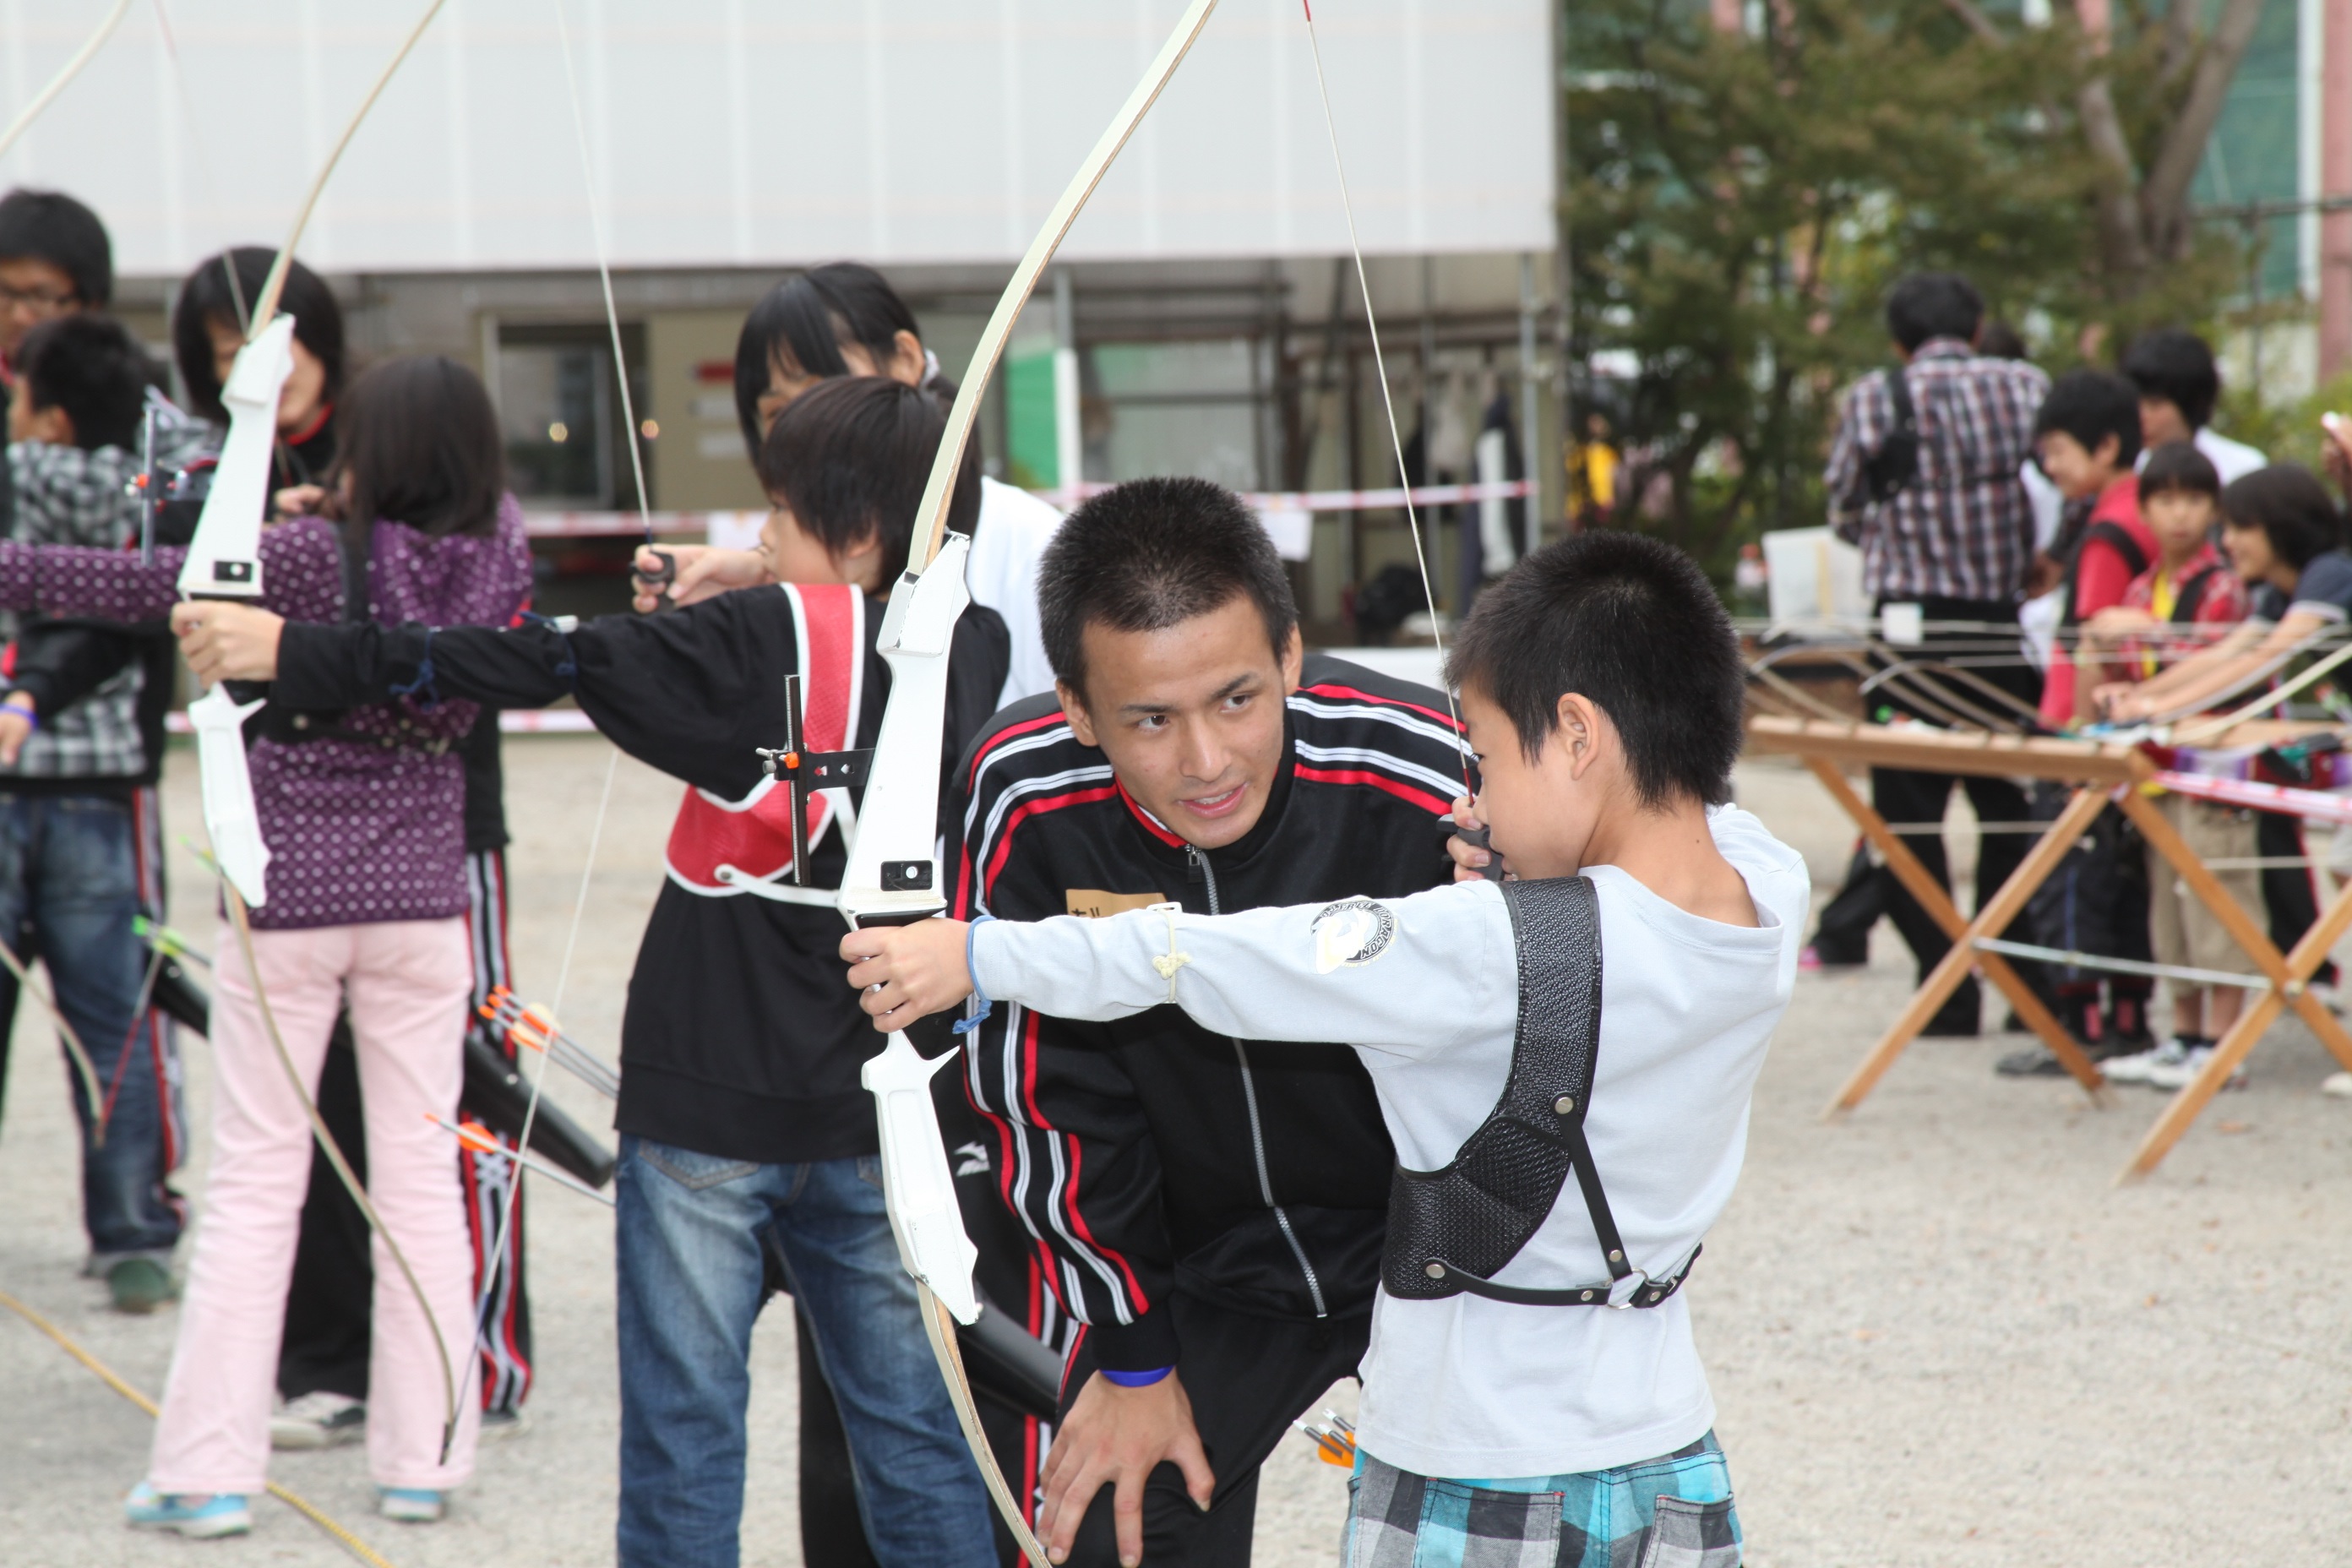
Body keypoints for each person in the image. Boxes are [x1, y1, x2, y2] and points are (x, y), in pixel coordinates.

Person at [174, 375, 1011, 1568]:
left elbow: (528, 661)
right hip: (881, 1101)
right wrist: (759, 584)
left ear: (859, 531)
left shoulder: (744, 637)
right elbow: (833, 622)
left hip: (708, 1093)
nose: (755, 536)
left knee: (684, 1437)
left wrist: (291, 650)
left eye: (776, 514)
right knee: (915, 1438)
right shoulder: (973, 641)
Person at [846, 530, 1807, 1568]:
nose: (1467, 797)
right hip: (1666, 1453)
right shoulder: (1769, 887)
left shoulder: (1479, 944)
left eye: (1478, 756)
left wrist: (977, 953)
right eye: (1155, 718)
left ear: (1577, 734)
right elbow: (1685, 805)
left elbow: (1206, 958)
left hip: (1473, 1460)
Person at [3, 354, 535, 1537]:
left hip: (286, 901)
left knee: (254, 1184)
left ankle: (206, 1473)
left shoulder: (299, 557)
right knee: (418, 1185)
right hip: (420, 905)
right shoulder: (499, 550)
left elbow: (135, 585)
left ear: (373, 452)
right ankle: (426, 1460)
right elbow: (406, 570)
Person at [939, 477, 1468, 1566]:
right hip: (1196, 1272)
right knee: (1107, 1531)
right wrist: (1131, 1350)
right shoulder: (1022, 789)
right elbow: (1042, 1089)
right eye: (1149, 719)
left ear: (1289, 653)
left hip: (1439, 1250)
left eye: (1237, 697)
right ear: (1077, 709)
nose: (1208, 761)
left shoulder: (1424, 763)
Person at [0, 313, 197, 1313]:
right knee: (115, 1021)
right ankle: (132, 1230)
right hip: (106, 780)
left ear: (54, 413)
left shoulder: (16, 472)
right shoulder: (151, 485)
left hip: (7, 773)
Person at [1823, 271, 2049, 1036]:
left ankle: (1947, 988)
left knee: (1905, 823)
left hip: (1909, 637)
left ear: (1898, 340)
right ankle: (2025, 984)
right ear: (1978, 327)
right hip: (1996, 628)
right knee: (2012, 808)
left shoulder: (1874, 396)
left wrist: (1898, 535)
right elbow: (2067, 482)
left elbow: (1844, 504)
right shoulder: (2024, 385)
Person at [702, 261, 1062, 705]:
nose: (803, 427)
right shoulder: (771, 576)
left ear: (906, 360)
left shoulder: (1032, 549)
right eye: (778, 412)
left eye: (819, 389)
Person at [2099, 464, 2349, 1004]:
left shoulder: (2330, 572)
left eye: (2241, 528)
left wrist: (2154, 711)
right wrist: (2150, 704)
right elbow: (2227, 653)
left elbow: (2265, 657)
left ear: (2281, 525)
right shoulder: (2281, 590)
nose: (2229, 542)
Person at [2073, 444, 2255, 1090]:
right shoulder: (2141, 588)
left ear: (2214, 509)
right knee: (2168, 908)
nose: (2180, 515)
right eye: (2166, 499)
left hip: (2214, 767)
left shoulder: (2223, 586)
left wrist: (2137, 654)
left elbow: (2218, 668)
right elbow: (2117, 670)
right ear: (2144, 508)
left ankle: (2224, 1040)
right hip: (2154, 768)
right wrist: (2113, 690)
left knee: (2219, 897)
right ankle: (2184, 1035)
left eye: (2194, 499)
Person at [173, 248, 346, 495]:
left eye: (278, 341)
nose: (265, 367)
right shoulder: (200, 482)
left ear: (317, 330)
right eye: (234, 353)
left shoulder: (382, 450)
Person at [2119, 329, 2266, 487]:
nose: (2141, 416)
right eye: (2135, 402)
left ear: (2191, 404)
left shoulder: (2244, 468)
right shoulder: (2127, 472)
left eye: (2155, 404)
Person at [0, 188, 109, 378]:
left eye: (41, 297)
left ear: (92, 305)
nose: (19, 316)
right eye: (4, 292)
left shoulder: (125, 401)